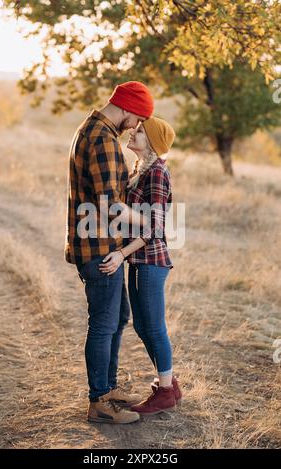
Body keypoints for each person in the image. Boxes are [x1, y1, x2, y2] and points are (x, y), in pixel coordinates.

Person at [65, 81, 154, 424]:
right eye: (137, 120)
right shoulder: (102, 139)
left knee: (117, 319)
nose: (135, 127)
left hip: (103, 244)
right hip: (99, 248)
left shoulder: (92, 129)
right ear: (128, 109)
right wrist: (147, 219)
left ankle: (109, 388)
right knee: (103, 324)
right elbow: (109, 206)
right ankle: (99, 401)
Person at [99, 116, 182, 416]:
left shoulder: (157, 171)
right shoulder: (140, 170)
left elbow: (154, 227)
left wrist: (121, 254)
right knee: (143, 325)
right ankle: (169, 384)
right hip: (139, 261)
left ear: (154, 143)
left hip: (150, 261)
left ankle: (164, 392)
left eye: (141, 131)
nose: (132, 132)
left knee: (154, 327)